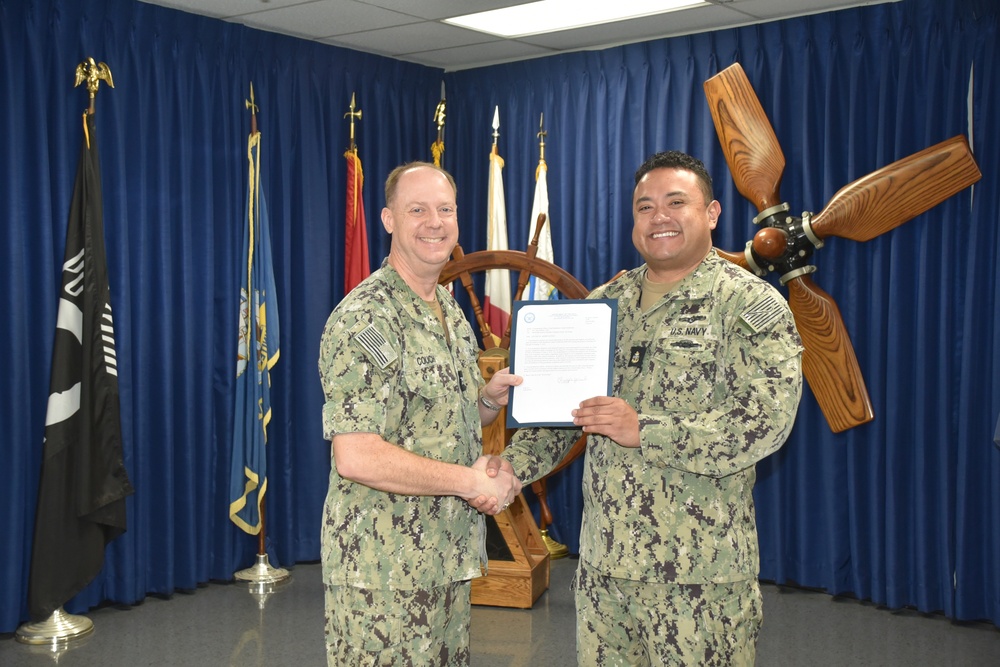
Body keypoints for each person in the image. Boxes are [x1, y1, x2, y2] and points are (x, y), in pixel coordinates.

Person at [498, 150, 803, 665]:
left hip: (698, 579)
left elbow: (764, 423)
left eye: (676, 202)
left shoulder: (749, 306)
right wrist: (508, 471)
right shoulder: (602, 304)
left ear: (711, 214)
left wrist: (646, 430)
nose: (658, 216)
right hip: (604, 576)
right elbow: (560, 416)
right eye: (644, 206)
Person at [317, 161, 522, 666]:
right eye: (418, 210)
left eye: (445, 209)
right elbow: (357, 456)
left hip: (446, 563)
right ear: (388, 220)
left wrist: (487, 400)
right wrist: (470, 482)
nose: (435, 222)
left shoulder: (448, 310)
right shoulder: (365, 318)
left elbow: (440, 424)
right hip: (383, 575)